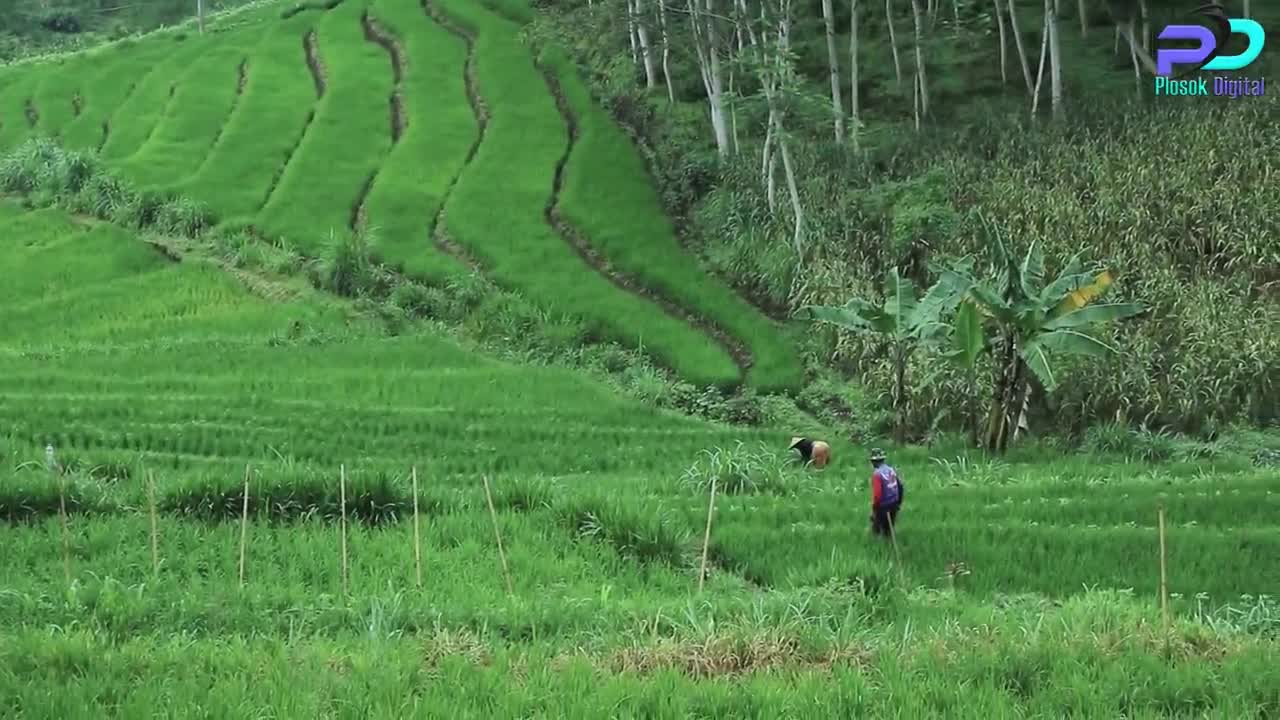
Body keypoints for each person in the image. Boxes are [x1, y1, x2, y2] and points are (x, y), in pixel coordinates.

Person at [868, 448, 903, 537]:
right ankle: (888, 545)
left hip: (883, 506)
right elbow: (900, 486)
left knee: (876, 531)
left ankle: (878, 548)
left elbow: (877, 495)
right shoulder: (891, 470)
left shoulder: (877, 475)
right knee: (888, 531)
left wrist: (874, 509)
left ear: (873, 462)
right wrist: (898, 502)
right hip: (894, 504)